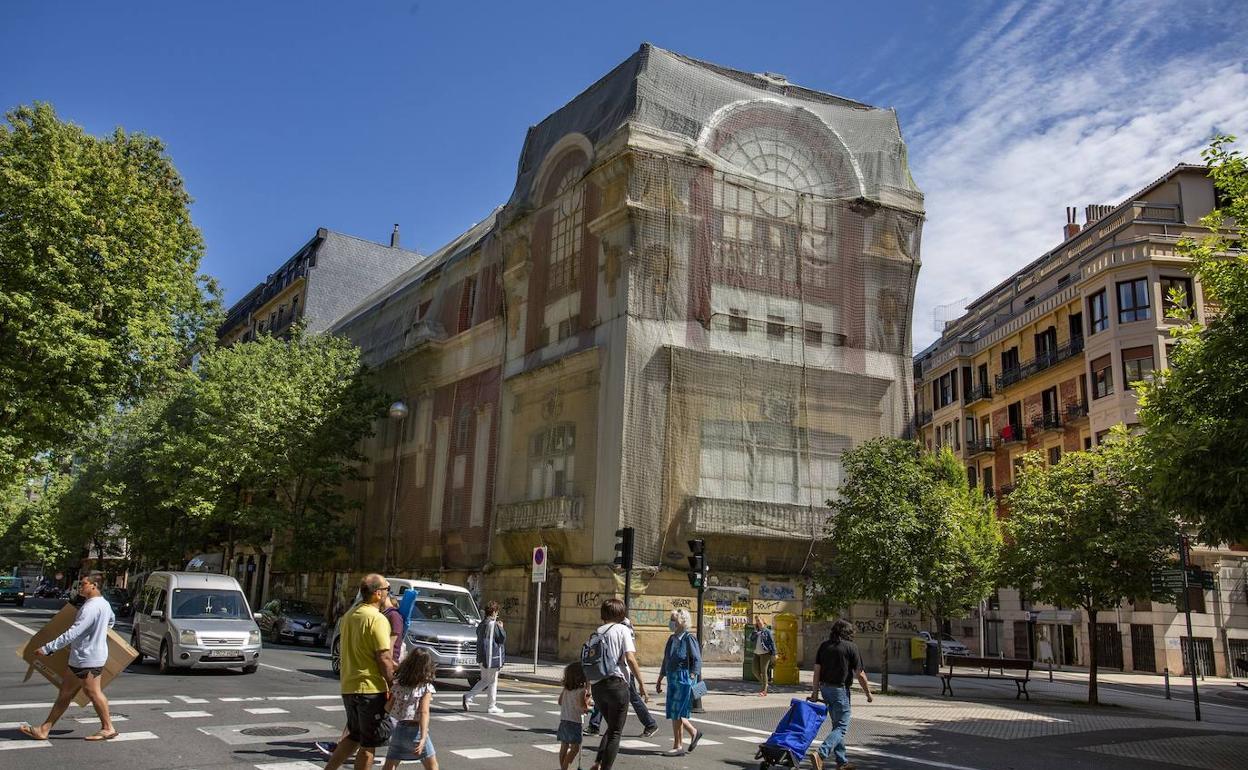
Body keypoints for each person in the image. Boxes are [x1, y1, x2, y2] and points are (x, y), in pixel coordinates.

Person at [20, 572, 118, 742]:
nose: (81, 586)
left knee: (92, 692)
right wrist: (98, 633)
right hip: (84, 656)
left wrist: (48, 648)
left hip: (88, 657)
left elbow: (73, 633)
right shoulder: (104, 604)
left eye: (84, 583)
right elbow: (111, 622)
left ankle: (108, 727)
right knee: (65, 694)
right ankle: (44, 729)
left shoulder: (91, 607)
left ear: (94, 585)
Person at [325, 574, 397, 770]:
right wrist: (393, 685)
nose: (388, 593)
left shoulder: (349, 616)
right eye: (386, 589)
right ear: (377, 594)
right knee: (369, 744)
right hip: (370, 689)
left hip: (349, 686)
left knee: (354, 736)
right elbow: (383, 657)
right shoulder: (377, 619)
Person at [588, 598, 648, 770]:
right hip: (617, 685)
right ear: (621, 613)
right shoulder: (623, 630)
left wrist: (587, 688)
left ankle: (598, 762)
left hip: (598, 685)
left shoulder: (597, 632)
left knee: (612, 726)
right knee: (615, 732)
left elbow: (589, 660)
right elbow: (630, 658)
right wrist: (641, 683)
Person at [808, 619, 873, 770]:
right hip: (840, 690)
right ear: (848, 633)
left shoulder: (824, 646)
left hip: (825, 689)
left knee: (836, 725)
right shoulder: (851, 647)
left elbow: (817, 670)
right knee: (842, 727)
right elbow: (860, 674)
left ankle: (842, 762)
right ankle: (821, 754)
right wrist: (868, 693)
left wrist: (815, 692)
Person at [585, 617, 658, 738]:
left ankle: (650, 724)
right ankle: (594, 725)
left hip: (622, 673)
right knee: (602, 697)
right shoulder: (613, 626)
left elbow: (628, 655)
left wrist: (641, 683)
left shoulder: (624, 626)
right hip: (610, 671)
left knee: (633, 698)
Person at [655, 608, 703, 756]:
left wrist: (693, 676)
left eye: (673, 619)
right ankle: (692, 734)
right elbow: (666, 659)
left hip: (684, 678)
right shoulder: (671, 639)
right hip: (672, 677)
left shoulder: (689, 638)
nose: (671, 623)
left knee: (678, 711)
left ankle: (679, 745)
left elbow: (696, 659)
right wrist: (660, 678)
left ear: (682, 621)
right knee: (674, 711)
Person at [382, 647, 439, 770]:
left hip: (399, 729)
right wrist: (423, 737)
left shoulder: (399, 684)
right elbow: (424, 712)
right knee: (432, 765)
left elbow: (388, 707)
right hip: (416, 730)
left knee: (390, 764)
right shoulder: (425, 687)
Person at [462, 599, 505, 714]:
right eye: (497, 612)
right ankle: (491, 705)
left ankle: (469, 697)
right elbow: (501, 638)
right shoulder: (493, 625)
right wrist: (501, 627)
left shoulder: (482, 624)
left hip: (482, 656)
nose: (497, 614)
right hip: (491, 657)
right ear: (494, 612)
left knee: (486, 680)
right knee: (492, 681)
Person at [556, 662, 590, 770]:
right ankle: (566, 766)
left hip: (564, 721)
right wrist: (588, 708)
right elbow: (582, 706)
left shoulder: (566, 689)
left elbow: (560, 702)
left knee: (564, 746)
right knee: (575, 748)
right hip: (575, 722)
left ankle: (563, 767)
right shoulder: (582, 691)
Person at [752, 615, 777, 696]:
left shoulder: (767, 631)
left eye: (759, 620)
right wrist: (755, 632)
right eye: (756, 621)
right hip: (757, 653)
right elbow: (751, 639)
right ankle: (765, 684)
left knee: (763, 671)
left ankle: (764, 691)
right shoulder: (756, 631)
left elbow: (772, 643)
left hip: (765, 653)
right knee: (755, 671)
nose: (758, 622)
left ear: (763, 621)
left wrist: (774, 654)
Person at [382, 592, 406, 664]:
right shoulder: (386, 614)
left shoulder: (394, 615)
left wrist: (389, 661)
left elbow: (392, 641)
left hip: (391, 660)